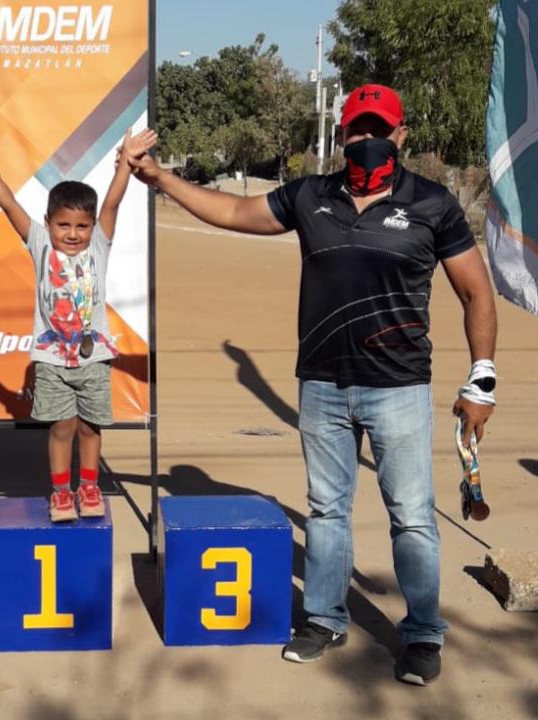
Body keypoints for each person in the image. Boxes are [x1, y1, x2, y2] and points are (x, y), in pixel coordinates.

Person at [124, 85, 497, 686]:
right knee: (327, 510)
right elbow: (233, 212)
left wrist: (482, 380)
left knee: (411, 516)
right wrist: (162, 179)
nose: (367, 141)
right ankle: (325, 618)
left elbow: (475, 291)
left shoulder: (432, 203)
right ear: (341, 134)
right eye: (357, 129)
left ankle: (423, 633)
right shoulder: (311, 196)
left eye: (380, 129)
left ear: (401, 136)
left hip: (398, 388)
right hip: (323, 385)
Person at [0, 129, 156, 522]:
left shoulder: (100, 244)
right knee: (62, 428)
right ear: (48, 223)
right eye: (64, 225)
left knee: (90, 428)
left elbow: (113, 203)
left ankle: (89, 486)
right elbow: (9, 204)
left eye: (81, 226)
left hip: (95, 359)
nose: (72, 234)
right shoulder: (40, 244)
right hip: (50, 361)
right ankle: (61, 492)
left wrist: (124, 163)